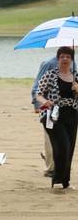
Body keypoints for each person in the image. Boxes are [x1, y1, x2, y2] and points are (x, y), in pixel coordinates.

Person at [36, 46, 78, 190]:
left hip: (72, 114)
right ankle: (57, 181)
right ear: (58, 59)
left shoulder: (76, 76)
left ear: (72, 59)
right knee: (62, 146)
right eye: (62, 57)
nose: (65, 59)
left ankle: (65, 182)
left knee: (70, 147)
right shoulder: (50, 74)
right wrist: (44, 102)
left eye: (68, 56)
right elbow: (39, 93)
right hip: (53, 115)